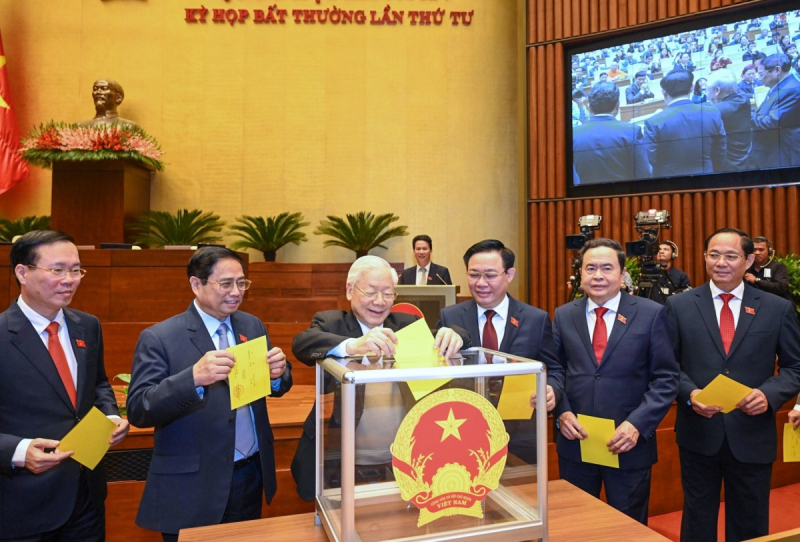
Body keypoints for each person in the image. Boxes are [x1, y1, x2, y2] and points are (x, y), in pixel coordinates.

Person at [127, 247, 293, 541]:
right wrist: (192, 378)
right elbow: (140, 409)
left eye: (241, 283)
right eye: (225, 283)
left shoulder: (251, 325)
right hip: (192, 485)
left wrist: (279, 374)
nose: (236, 292)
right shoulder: (160, 337)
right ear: (196, 284)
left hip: (249, 474)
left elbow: (275, 382)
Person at [290, 256, 468, 501]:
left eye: (388, 293)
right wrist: (352, 345)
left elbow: (447, 336)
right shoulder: (331, 322)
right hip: (340, 457)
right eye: (371, 292)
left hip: (401, 456)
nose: (379, 301)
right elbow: (302, 344)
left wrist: (455, 334)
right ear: (350, 290)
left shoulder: (406, 324)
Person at [666, 228, 800, 542]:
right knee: (697, 522)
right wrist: (690, 394)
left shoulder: (776, 308)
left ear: (749, 260)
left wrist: (768, 395)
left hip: (752, 433)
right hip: (699, 433)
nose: (721, 262)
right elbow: (666, 367)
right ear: (704, 257)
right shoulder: (679, 306)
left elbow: (795, 366)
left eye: (731, 255)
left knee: (750, 523)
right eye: (714, 255)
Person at [0, 230, 129, 540]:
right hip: (22, 503)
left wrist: (110, 415)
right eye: (57, 270)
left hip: (86, 498)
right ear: (22, 272)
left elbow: (98, 384)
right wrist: (16, 450)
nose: (69, 280)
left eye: (76, 270)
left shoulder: (87, 325)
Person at [551, 238, 679, 525]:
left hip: (627, 443)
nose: (598, 275)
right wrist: (562, 413)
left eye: (607, 268)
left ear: (622, 275)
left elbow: (666, 377)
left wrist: (637, 425)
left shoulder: (651, 313)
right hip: (576, 441)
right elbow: (555, 370)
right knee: (576, 525)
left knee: (627, 527)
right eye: (590, 268)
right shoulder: (564, 315)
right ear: (580, 273)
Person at [438, 239, 564, 464]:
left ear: (509, 274)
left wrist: (552, 390)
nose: (481, 283)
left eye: (490, 275)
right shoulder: (450, 317)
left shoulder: (535, 319)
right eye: (474, 275)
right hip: (463, 431)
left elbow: (554, 369)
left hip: (521, 434)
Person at [643, 70, 727, 178]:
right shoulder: (712, 112)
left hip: (670, 184)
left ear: (664, 92)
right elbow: (720, 151)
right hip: (707, 178)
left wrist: (659, 117)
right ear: (692, 88)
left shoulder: (653, 122)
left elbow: (651, 159)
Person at [573, 82, 649, 183]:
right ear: (617, 106)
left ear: (590, 108)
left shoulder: (574, 134)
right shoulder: (631, 131)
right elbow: (644, 173)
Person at [751, 54, 800, 169]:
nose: (759, 78)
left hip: (783, 154)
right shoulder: (780, 86)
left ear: (777, 70)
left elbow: (772, 122)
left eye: (761, 74)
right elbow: (764, 112)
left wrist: (745, 114)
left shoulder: (791, 90)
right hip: (773, 150)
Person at [707, 69, 753, 170]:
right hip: (747, 161)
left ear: (717, 90)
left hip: (727, 166)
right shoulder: (744, 98)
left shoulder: (716, 111)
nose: (707, 94)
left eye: (708, 90)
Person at [744, 236, 794, 305]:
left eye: (761, 250)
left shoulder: (778, 267)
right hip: (753, 304)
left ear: (769, 251)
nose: (757, 253)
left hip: (776, 304)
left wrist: (756, 280)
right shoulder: (746, 268)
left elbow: (781, 288)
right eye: (754, 250)